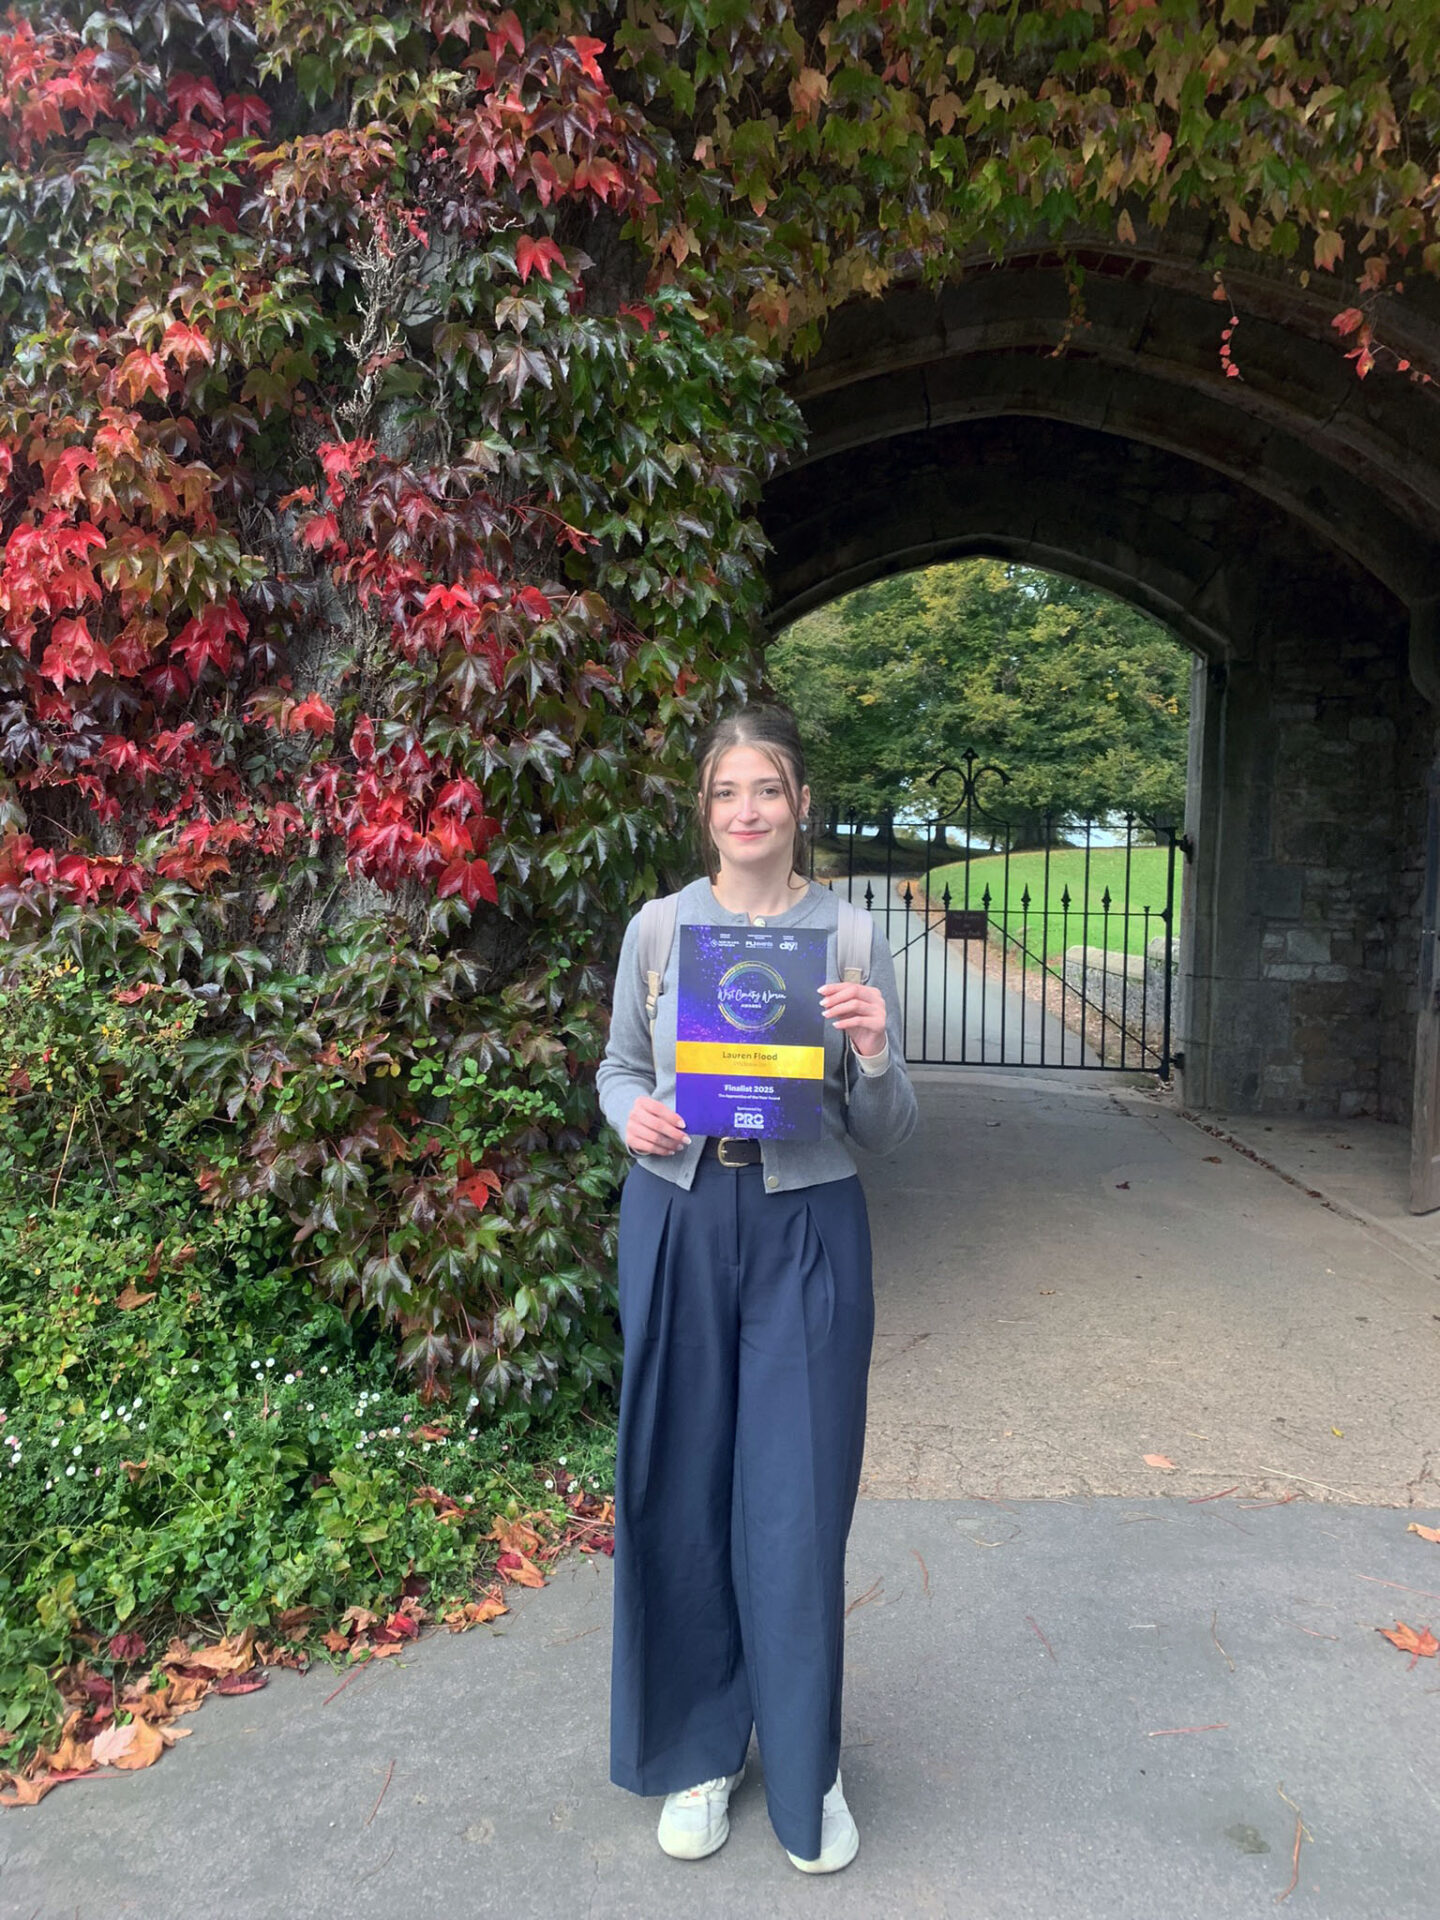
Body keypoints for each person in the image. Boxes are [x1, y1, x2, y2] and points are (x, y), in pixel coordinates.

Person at [596, 703, 918, 1873]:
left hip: (807, 1230)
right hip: (680, 1216)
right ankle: (697, 1749)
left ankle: (805, 1762)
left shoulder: (848, 936)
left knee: (794, 1501)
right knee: (681, 1483)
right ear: (706, 809)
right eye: (729, 791)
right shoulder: (659, 930)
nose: (748, 811)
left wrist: (877, 1052)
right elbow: (620, 1066)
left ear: (799, 807)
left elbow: (888, 1128)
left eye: (768, 790)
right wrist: (623, 1109)